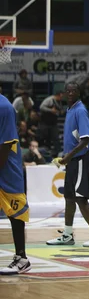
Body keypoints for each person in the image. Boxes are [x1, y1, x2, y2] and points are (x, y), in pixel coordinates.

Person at [46, 82, 89, 247]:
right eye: (68, 91)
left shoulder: (80, 110)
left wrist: (68, 157)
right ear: (64, 94)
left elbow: (86, 139)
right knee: (69, 198)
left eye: (74, 90)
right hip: (73, 159)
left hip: (80, 158)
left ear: (79, 92)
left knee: (80, 198)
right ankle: (67, 234)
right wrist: (67, 157)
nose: (71, 93)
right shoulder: (70, 109)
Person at [0, 92, 31, 275]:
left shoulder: (4, 107)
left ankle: (22, 258)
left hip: (7, 169)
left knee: (16, 214)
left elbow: (5, 144)